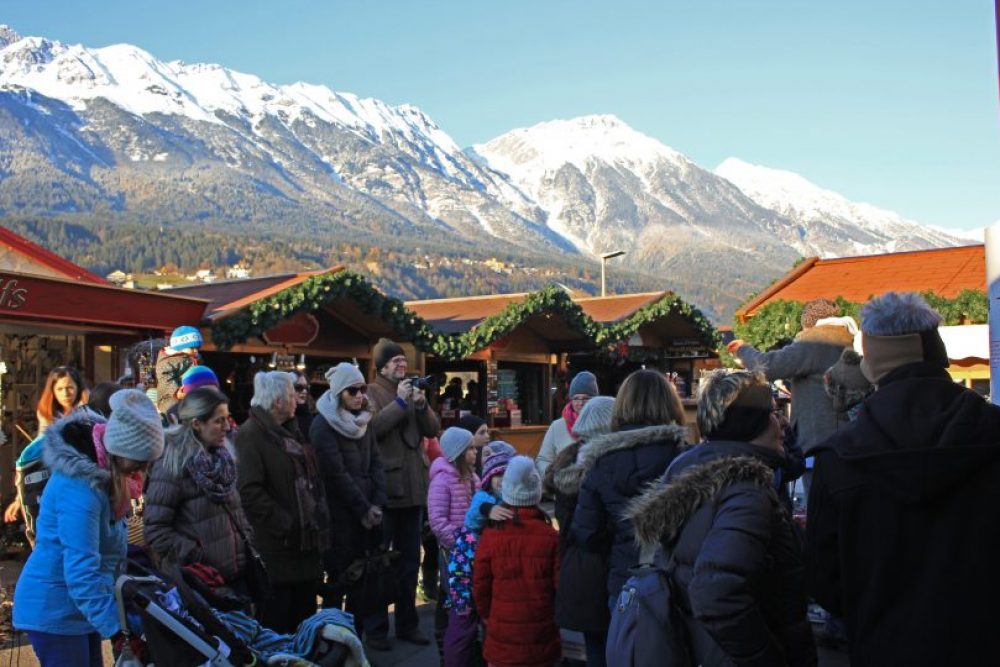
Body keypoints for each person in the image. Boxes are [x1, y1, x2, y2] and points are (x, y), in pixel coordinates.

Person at [807, 292, 1000, 666]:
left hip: (884, 646)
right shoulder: (992, 431)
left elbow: (824, 580)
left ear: (871, 362)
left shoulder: (839, 457)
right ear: (936, 350)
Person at [627, 369, 817, 666]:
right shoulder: (745, 491)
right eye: (773, 413)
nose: (781, 423)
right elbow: (717, 591)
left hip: (700, 647)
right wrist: (765, 658)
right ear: (752, 424)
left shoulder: (693, 473)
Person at [13, 390, 164, 666]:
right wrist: (118, 630)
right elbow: (81, 571)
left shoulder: (109, 480)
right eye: (138, 464)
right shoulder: (80, 490)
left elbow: (106, 550)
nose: (140, 474)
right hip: (54, 608)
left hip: (81, 608)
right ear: (120, 451)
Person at [571, 369, 687, 610]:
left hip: (626, 581)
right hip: (680, 582)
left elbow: (587, 532)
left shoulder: (602, 461)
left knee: (626, 645)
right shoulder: (686, 458)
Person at [236, 371, 330, 634]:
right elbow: (249, 491)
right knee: (279, 625)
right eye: (292, 394)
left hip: (305, 549)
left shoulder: (292, 431)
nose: (297, 400)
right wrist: (286, 523)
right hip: (277, 550)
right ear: (277, 401)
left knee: (304, 623)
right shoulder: (250, 435)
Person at [365, 338, 440, 650]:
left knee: (410, 562)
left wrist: (421, 405)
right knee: (380, 564)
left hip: (413, 491)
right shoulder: (370, 392)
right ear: (381, 366)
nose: (401, 364)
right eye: (395, 361)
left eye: (402, 360)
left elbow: (433, 429)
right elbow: (372, 429)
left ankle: (408, 624)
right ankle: (377, 629)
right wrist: (398, 403)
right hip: (387, 492)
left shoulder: (411, 391)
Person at [727, 300, 855, 483]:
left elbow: (768, 366)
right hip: (842, 439)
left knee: (819, 504)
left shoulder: (816, 341)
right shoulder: (845, 340)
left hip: (818, 443)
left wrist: (743, 350)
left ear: (809, 323)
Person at [144, 387, 251, 591]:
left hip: (235, 579)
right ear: (197, 424)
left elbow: (236, 513)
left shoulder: (223, 461)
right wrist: (198, 555)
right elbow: (156, 530)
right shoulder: (173, 465)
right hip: (198, 583)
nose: (227, 427)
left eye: (227, 419)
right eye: (219, 421)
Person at [310, 362, 386, 637]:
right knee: (339, 581)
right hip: (339, 515)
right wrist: (364, 508)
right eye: (352, 390)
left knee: (364, 580)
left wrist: (377, 503)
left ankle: (357, 639)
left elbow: (378, 463)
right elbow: (335, 475)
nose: (359, 395)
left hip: (368, 511)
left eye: (362, 389)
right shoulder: (322, 425)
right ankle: (334, 644)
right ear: (339, 392)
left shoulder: (364, 421)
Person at [544, 396, 615, 667]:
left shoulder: (567, 464)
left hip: (578, 570)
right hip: (602, 570)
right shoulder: (605, 468)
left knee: (595, 646)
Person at [474, 455, 561, 667]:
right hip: (541, 636)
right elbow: (560, 587)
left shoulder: (491, 536)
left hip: (501, 636)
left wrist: (487, 616)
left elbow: (480, 586)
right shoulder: (551, 537)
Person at [443, 443, 514, 667]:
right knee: (463, 621)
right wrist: (487, 510)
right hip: (465, 569)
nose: (501, 481)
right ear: (488, 479)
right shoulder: (484, 498)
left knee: (487, 621)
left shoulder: (512, 501)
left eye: (506, 475)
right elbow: (473, 515)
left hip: (484, 570)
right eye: (497, 476)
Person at [428, 426, 481, 661]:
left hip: (471, 550)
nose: (475, 452)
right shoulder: (442, 480)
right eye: (469, 449)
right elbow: (438, 521)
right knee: (456, 599)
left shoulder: (472, 477)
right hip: (453, 551)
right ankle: (449, 647)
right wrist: (462, 543)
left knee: (456, 597)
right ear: (458, 452)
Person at [536, 370, 599, 477]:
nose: (580, 403)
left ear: (595, 399)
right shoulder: (557, 427)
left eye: (586, 398)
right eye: (576, 398)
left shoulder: (605, 424)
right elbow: (543, 460)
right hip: (563, 489)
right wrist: (554, 477)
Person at [155, 325, 203, 415]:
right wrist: (176, 392)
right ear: (180, 347)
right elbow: (165, 378)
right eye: (192, 348)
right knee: (177, 416)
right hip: (169, 399)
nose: (196, 351)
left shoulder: (191, 358)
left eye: (197, 348)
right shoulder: (168, 360)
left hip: (188, 396)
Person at [36, 365, 88, 434]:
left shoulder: (88, 408)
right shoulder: (46, 410)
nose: (65, 394)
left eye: (70, 388)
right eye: (59, 389)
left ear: (78, 388)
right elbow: (43, 437)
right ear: (52, 391)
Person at [293, 371, 316, 442]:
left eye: (306, 387)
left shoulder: (310, 417)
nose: (304, 391)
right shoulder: (280, 416)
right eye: (299, 387)